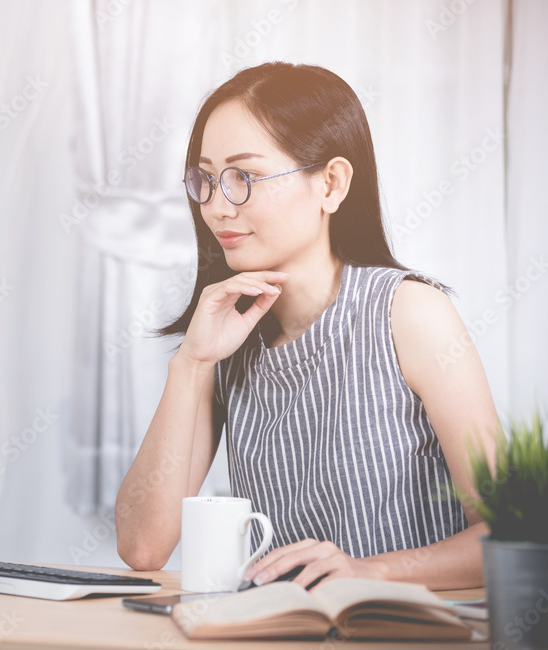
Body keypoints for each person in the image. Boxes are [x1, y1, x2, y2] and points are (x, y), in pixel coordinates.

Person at [115, 62, 500, 591]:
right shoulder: (228, 338)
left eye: (243, 178)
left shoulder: (409, 313)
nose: (217, 207)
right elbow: (143, 546)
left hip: (401, 638)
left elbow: (512, 534)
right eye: (206, 180)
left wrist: (367, 573)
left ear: (332, 184)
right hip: (279, 636)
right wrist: (192, 363)